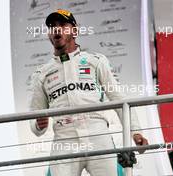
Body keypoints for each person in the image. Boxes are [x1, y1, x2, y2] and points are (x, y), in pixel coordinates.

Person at [29, 9, 148, 176]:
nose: (57, 30)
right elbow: (35, 119)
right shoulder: (41, 73)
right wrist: (38, 125)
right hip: (64, 138)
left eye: (63, 25)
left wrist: (135, 132)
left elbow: (119, 100)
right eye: (52, 27)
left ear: (75, 31)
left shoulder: (96, 61)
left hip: (97, 133)